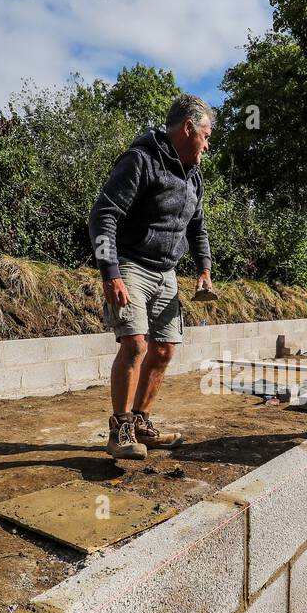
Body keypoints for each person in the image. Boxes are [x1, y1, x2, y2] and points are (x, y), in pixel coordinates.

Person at [88, 94, 216, 460]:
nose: (207, 145)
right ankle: (121, 430)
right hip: (130, 264)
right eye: (205, 136)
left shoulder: (195, 176)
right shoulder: (141, 160)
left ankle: (142, 421)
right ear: (188, 128)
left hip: (167, 272)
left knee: (164, 350)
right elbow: (102, 215)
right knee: (135, 345)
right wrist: (110, 272)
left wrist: (204, 268)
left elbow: (197, 227)